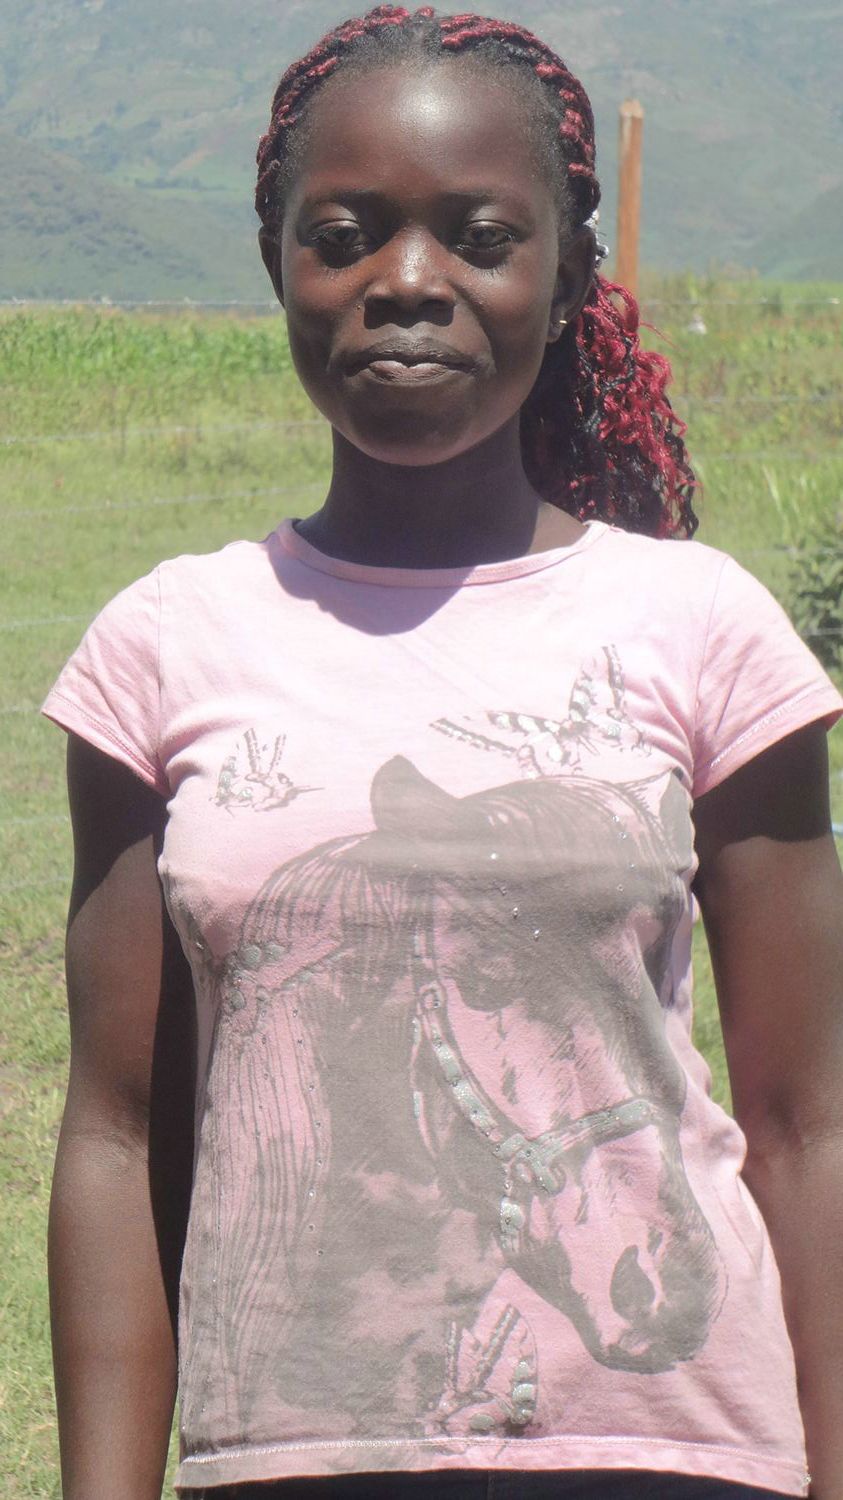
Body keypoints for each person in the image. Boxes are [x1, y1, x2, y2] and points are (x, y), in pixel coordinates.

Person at [42, 7, 843, 1500]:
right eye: (344, 236)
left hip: (675, 1456)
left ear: (567, 273)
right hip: (291, 1455)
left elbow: (808, 1127)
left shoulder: (703, 628)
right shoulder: (165, 646)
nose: (408, 282)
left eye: (480, 238)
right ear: (277, 260)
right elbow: (119, 1135)